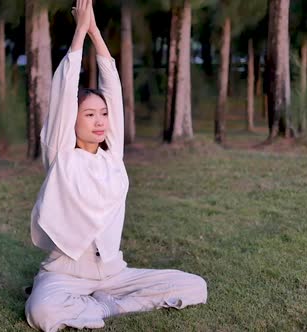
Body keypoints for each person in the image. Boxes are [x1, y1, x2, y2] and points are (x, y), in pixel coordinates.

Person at [25, 1, 207, 331]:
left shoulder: (112, 158)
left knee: (195, 286)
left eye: (103, 114)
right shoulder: (60, 155)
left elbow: (113, 86)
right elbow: (64, 92)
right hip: (66, 274)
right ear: (72, 120)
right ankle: (85, 303)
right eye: (90, 114)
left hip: (113, 273)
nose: (100, 121)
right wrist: (80, 32)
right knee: (43, 313)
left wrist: (96, 32)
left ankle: (108, 307)